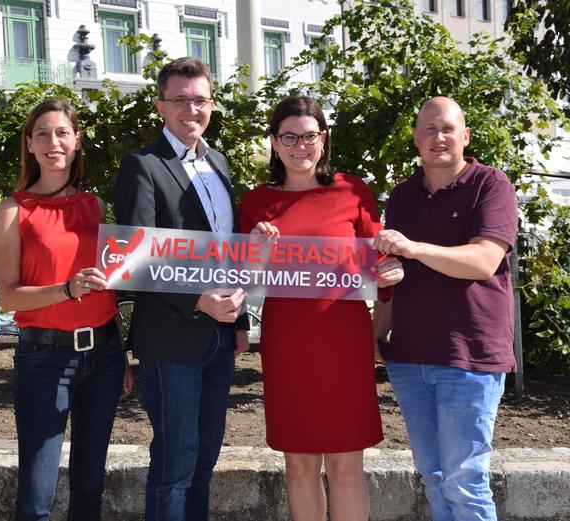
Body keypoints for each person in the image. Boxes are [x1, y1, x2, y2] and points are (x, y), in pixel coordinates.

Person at [240, 95, 403, 521]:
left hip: (343, 344)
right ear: (274, 142)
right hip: (288, 346)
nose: (300, 146)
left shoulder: (353, 190)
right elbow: (244, 278)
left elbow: (379, 261)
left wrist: (390, 275)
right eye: (289, 137)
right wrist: (254, 253)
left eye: (309, 136)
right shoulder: (255, 203)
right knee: (299, 464)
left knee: (348, 463)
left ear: (324, 139)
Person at [113, 57, 249, 521]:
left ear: (211, 104)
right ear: (160, 106)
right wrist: (198, 299)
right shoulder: (143, 166)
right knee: (174, 463)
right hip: (172, 337)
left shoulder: (220, 164)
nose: (191, 109)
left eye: (200, 100)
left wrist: (240, 320)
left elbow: (230, 250)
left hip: (219, 336)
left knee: (206, 456)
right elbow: (138, 254)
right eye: (180, 100)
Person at [373, 96, 518, 521]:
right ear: (416, 139)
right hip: (411, 358)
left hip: (469, 358)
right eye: (429, 129)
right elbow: (391, 279)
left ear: (465, 136)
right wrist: (375, 334)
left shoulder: (491, 185)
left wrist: (414, 249)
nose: (438, 137)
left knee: (465, 480)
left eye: (448, 128)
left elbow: (484, 260)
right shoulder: (402, 197)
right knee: (433, 476)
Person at [0, 99, 133, 521]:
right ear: (30, 146)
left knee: (90, 485)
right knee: (37, 495)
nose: (53, 142)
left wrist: (121, 353)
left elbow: (109, 293)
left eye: (62, 133)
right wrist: (68, 289)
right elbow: (10, 297)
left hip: (105, 355)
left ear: (76, 142)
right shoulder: (13, 211)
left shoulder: (97, 207)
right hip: (44, 359)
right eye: (42, 134)